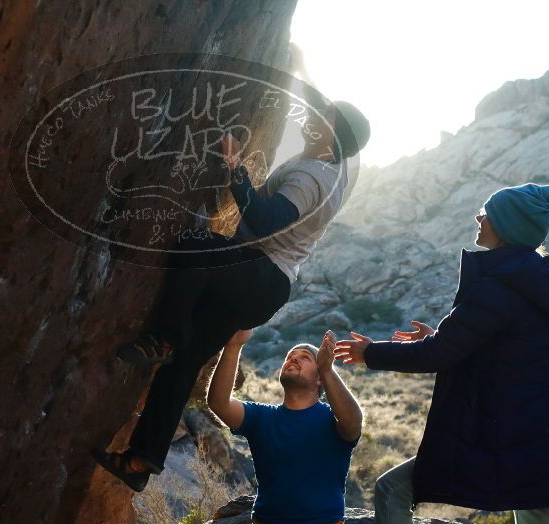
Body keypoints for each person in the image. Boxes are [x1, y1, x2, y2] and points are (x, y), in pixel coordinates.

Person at [92, 101, 371, 492]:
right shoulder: (335, 168)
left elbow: (267, 219)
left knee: (195, 247)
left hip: (260, 274)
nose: (311, 118)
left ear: (333, 137)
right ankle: (141, 460)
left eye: (322, 119)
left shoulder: (312, 176)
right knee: (184, 362)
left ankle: (165, 335)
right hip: (260, 286)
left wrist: (235, 169)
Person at [333, 183, 549, 524]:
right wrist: (441, 336)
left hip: (495, 437)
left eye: (487, 214)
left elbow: (437, 355)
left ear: (507, 226)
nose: (479, 217)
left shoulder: (500, 286)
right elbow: (507, 351)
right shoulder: (543, 283)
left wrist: (371, 352)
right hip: (540, 440)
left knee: (391, 490)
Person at [208, 329, 363, 524]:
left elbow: (353, 422)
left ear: (319, 380)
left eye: (305, 357)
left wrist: (327, 370)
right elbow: (219, 403)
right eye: (290, 357)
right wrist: (233, 346)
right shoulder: (262, 417)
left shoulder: (332, 419)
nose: (294, 359)